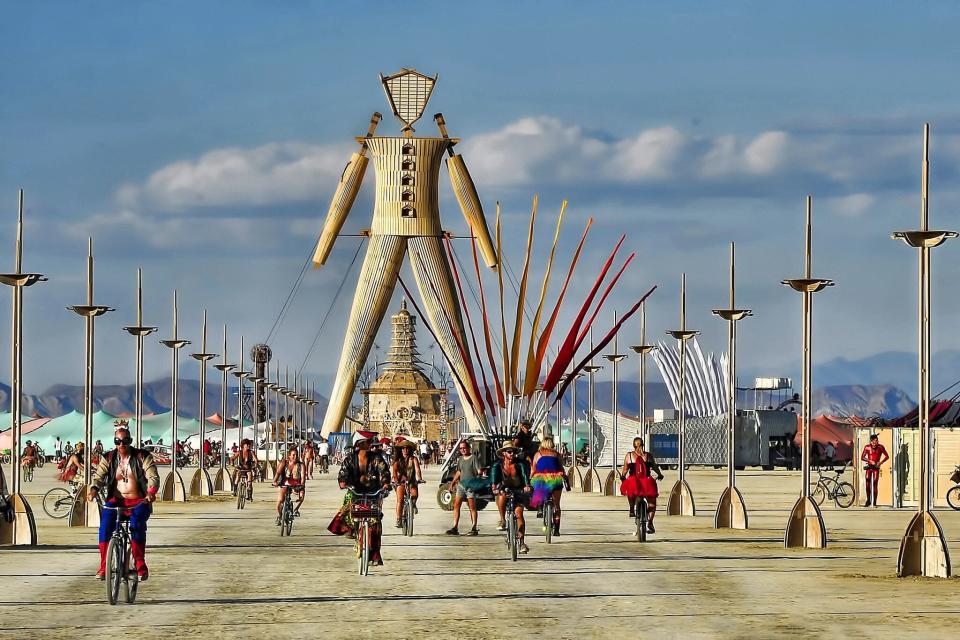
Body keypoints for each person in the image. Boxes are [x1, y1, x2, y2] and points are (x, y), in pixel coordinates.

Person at [87, 424, 159, 581]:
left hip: (138, 501)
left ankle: (140, 564)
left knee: (136, 525)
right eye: (117, 441)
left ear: (130, 441)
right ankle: (104, 566)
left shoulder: (142, 456)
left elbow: (153, 476)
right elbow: (99, 477)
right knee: (105, 526)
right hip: (116, 501)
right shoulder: (109, 458)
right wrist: (93, 489)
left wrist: (151, 492)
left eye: (125, 441)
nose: (121, 445)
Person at [328, 431, 390, 565]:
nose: (370, 444)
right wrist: (343, 481)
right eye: (367, 442)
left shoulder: (376, 458)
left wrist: (385, 483)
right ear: (359, 444)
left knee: (376, 523)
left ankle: (374, 554)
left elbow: (384, 471)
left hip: (373, 492)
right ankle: (352, 529)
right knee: (348, 508)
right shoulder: (350, 458)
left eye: (370, 442)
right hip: (355, 491)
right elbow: (343, 472)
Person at [490, 445, 532, 554]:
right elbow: (494, 479)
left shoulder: (520, 464)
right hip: (504, 490)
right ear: (504, 453)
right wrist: (494, 487)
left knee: (519, 514)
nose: (512, 454)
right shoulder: (498, 465)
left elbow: (524, 476)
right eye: (509, 451)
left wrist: (527, 485)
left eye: (513, 451)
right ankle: (502, 520)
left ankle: (522, 542)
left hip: (518, 490)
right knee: (501, 496)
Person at [620, 437, 664, 534]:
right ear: (643, 444)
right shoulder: (648, 456)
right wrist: (660, 475)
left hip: (634, 481)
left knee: (630, 492)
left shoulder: (629, 455)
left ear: (633, 445)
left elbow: (625, 469)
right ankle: (650, 523)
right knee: (652, 503)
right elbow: (655, 467)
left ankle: (632, 508)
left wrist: (623, 477)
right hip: (647, 481)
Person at [530, 437, 570, 536]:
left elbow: (533, 470)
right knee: (557, 505)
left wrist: (530, 479)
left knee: (538, 487)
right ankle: (556, 529)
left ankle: (539, 507)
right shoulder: (557, 454)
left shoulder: (538, 454)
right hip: (556, 478)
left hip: (542, 479)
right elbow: (561, 468)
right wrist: (565, 478)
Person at [446, 440, 484, 536]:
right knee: (456, 505)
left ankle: (474, 527)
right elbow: (459, 472)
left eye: (464, 448)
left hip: (470, 486)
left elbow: (479, 470)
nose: (463, 450)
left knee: (472, 507)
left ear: (468, 448)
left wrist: (479, 477)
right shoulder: (461, 459)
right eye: (461, 448)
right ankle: (455, 527)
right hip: (461, 486)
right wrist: (452, 483)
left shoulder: (474, 458)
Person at [391, 439, 423, 528]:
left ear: (410, 450)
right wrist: (396, 481)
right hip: (400, 482)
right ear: (400, 450)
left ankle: (413, 505)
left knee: (415, 495)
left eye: (407, 448)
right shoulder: (397, 461)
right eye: (403, 448)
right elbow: (394, 472)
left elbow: (417, 469)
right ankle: (398, 519)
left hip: (411, 481)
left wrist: (419, 478)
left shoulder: (413, 459)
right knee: (400, 500)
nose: (405, 450)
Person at [273, 447, 306, 523]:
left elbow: (303, 476)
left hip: (296, 484)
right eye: (293, 455)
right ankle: (280, 516)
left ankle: (296, 510)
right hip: (285, 483)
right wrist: (274, 481)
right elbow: (278, 473)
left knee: (301, 496)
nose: (295, 457)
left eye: (296, 455)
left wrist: (302, 486)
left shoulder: (301, 465)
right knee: (279, 501)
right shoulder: (284, 463)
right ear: (289, 456)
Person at [861, 433, 889, 507]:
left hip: (876, 467)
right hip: (869, 467)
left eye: (876, 441)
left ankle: (875, 502)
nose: (875, 443)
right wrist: (870, 461)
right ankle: (868, 500)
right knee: (867, 483)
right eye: (874, 442)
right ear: (871, 441)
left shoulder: (880, 447)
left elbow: (887, 456)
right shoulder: (867, 447)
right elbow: (862, 457)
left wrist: (881, 462)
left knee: (875, 483)